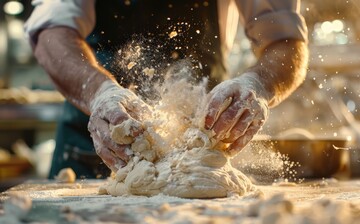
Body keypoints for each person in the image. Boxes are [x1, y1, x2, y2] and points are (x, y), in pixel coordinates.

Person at [24, 0, 308, 179]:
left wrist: (256, 85)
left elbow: (286, 40)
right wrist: (99, 93)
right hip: (95, 145)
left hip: (203, 149)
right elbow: (52, 33)